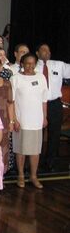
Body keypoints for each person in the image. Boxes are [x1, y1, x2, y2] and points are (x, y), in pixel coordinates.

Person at [11, 53, 48, 189]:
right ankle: (20, 175)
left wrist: (44, 117)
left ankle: (33, 176)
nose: (30, 66)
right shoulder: (15, 78)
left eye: (33, 63)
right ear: (22, 64)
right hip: (22, 120)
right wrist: (14, 119)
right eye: (27, 63)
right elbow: (12, 102)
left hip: (36, 120)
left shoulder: (41, 77)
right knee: (21, 149)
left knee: (35, 150)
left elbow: (44, 100)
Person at [35, 43, 70, 171]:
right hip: (38, 104)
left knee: (54, 134)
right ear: (37, 53)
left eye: (49, 50)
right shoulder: (32, 65)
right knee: (38, 134)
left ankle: (50, 162)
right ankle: (35, 163)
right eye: (44, 50)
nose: (47, 52)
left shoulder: (59, 65)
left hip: (55, 104)